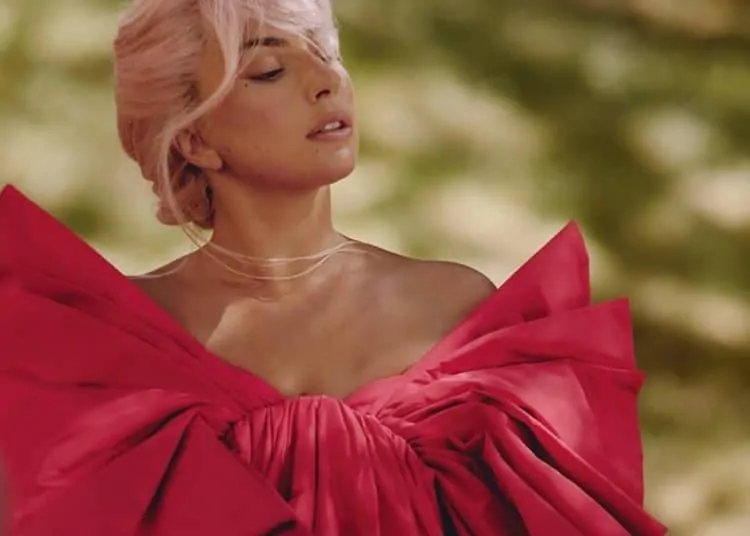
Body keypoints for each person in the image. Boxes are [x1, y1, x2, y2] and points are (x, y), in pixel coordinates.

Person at [0, 0, 666, 534]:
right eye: (269, 71)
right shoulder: (115, 348)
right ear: (195, 138)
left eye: (325, 53)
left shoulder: (455, 308)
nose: (326, 82)